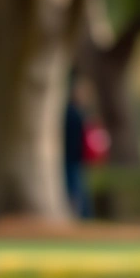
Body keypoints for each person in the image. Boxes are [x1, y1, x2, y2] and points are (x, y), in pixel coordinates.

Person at [63, 73, 90, 219]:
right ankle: (82, 214)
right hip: (74, 156)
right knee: (76, 186)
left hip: (71, 156)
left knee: (74, 186)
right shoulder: (78, 114)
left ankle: (81, 213)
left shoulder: (69, 113)